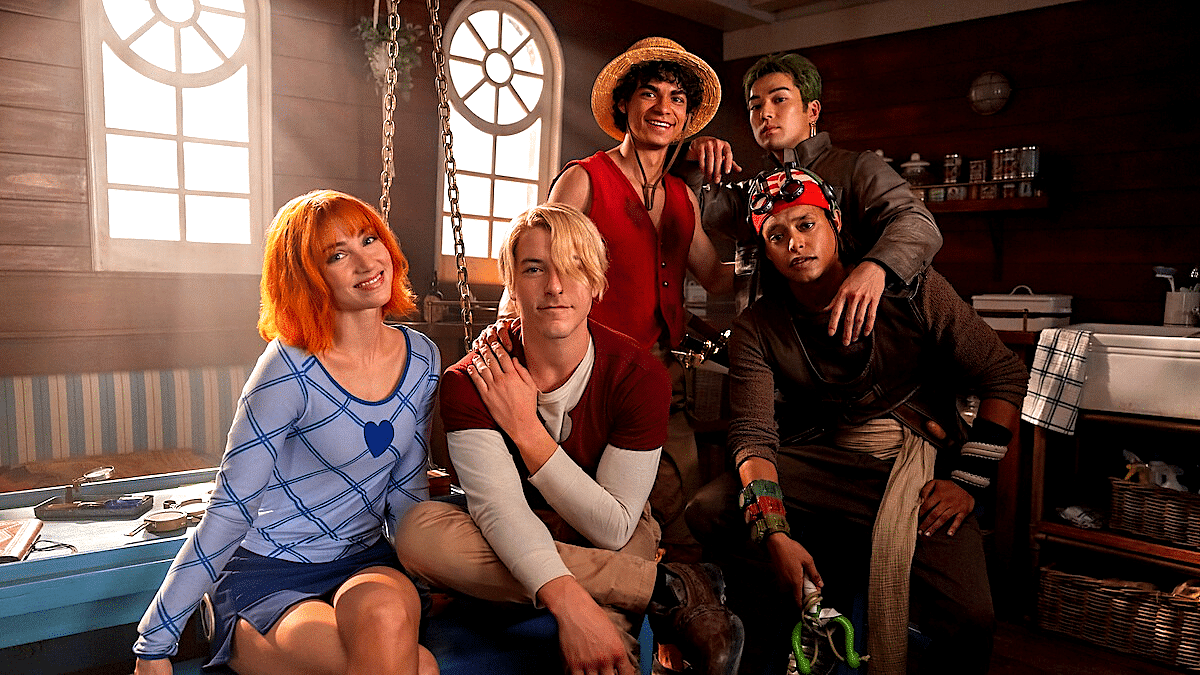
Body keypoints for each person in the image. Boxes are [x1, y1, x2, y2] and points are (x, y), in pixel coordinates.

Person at [685, 167, 1027, 674]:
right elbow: (754, 436)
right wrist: (774, 532)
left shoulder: (913, 291)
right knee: (710, 509)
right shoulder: (758, 327)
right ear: (765, 251)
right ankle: (788, 632)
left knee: (970, 616)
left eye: (806, 225)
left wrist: (968, 482)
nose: (795, 244)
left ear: (835, 223)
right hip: (825, 462)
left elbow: (1004, 375)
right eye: (776, 236)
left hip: (913, 465)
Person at [395, 203, 743, 675]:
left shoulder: (639, 376)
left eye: (573, 267)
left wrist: (525, 429)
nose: (555, 286)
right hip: (513, 524)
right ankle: (664, 587)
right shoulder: (472, 379)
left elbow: (613, 527)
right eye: (534, 268)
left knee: (613, 604)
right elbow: (500, 510)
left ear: (596, 283)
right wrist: (569, 601)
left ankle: (627, 592)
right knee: (417, 533)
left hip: (609, 532)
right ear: (512, 285)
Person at [133, 190, 441, 675]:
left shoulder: (422, 358)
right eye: (337, 255)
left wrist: (433, 581)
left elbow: (407, 491)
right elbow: (231, 509)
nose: (366, 262)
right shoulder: (288, 367)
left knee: (386, 618)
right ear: (306, 277)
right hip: (270, 571)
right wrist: (154, 643)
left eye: (369, 240)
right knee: (417, 667)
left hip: (367, 561)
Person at [681, 51, 942, 347]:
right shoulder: (752, 192)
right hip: (767, 348)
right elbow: (689, 206)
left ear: (812, 110)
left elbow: (917, 222)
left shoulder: (857, 169)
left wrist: (875, 268)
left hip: (851, 346)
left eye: (779, 99)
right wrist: (691, 155)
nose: (765, 114)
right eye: (755, 106)